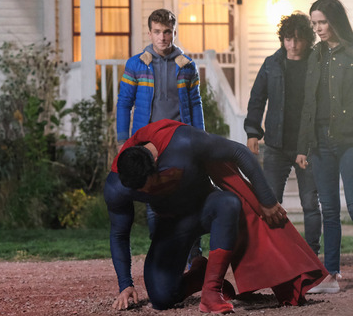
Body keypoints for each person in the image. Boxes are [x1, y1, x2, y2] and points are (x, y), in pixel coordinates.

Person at [107, 120, 326, 313]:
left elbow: (240, 152)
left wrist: (267, 200)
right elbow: (119, 234)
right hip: (172, 224)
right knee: (161, 298)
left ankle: (212, 292)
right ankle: (200, 275)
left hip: (207, 208)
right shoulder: (117, 187)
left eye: (149, 186)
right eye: (140, 193)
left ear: (155, 163)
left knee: (229, 202)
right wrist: (125, 284)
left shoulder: (183, 142)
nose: (146, 194)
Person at [295, 0, 353, 298]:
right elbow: (309, 103)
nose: (318, 28)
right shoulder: (316, 55)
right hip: (320, 144)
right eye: (315, 23)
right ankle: (330, 275)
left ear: (335, 20)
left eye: (322, 22)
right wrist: (304, 146)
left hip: (350, 143)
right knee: (329, 211)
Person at [116, 8, 205, 264]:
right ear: (150, 33)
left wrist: (200, 137)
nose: (163, 38)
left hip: (181, 140)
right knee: (154, 195)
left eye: (167, 32)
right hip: (148, 143)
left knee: (188, 193)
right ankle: (163, 255)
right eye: (157, 32)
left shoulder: (187, 66)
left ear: (174, 32)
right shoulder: (136, 64)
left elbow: (196, 103)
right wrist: (123, 140)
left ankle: (193, 256)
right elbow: (124, 103)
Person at [244, 12, 321, 254]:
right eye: (288, 39)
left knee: (309, 203)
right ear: (282, 39)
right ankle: (274, 253)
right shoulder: (271, 64)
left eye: (298, 39)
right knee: (270, 202)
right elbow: (257, 99)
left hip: (307, 145)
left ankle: (312, 254)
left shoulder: (316, 64)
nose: (293, 44)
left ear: (308, 40)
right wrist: (253, 132)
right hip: (276, 144)